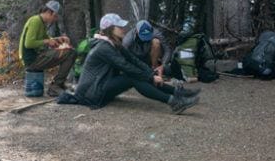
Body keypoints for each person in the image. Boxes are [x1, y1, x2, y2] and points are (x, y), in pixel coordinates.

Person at [68, 13, 199, 113]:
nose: (123, 29)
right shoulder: (103, 47)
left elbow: (133, 60)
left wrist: (150, 73)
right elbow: (125, 66)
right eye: (119, 27)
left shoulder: (113, 43)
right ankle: (174, 102)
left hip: (99, 86)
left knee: (138, 74)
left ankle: (177, 93)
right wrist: (150, 77)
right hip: (91, 93)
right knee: (131, 76)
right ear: (110, 29)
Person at [19, 0, 76, 97]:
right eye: (55, 16)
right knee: (70, 53)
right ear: (49, 12)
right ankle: (56, 86)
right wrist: (47, 41)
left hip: (37, 57)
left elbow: (46, 39)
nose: (55, 19)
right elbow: (28, 44)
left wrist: (59, 39)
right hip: (32, 60)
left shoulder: (41, 22)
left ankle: (59, 84)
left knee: (70, 51)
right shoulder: (35, 21)